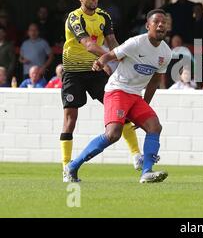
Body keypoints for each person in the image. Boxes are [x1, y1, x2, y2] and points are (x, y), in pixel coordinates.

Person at [64, 9, 172, 183]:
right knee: (113, 134)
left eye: (164, 22)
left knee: (154, 126)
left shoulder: (166, 53)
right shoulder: (136, 42)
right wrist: (100, 62)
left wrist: (145, 105)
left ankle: (146, 172)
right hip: (118, 90)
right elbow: (111, 55)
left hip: (135, 96)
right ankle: (72, 166)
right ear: (147, 26)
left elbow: (154, 82)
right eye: (156, 22)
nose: (161, 25)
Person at [60, 0, 142, 182]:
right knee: (70, 119)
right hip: (73, 72)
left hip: (95, 69)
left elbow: (112, 42)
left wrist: (123, 55)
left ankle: (136, 155)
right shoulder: (74, 18)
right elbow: (89, 45)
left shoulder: (104, 16)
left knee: (120, 110)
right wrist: (114, 57)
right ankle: (66, 166)